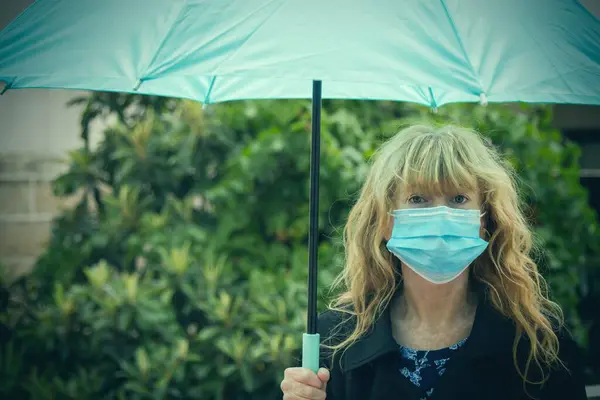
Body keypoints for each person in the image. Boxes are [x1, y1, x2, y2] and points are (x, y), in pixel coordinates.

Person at [280, 125, 587, 400]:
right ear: (386, 222)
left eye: (458, 199)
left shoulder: (539, 343)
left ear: (485, 220)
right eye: (418, 199)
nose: (441, 215)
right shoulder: (333, 342)